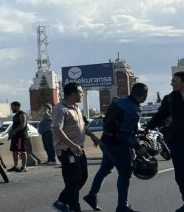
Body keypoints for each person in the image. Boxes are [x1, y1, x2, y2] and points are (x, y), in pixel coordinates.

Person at [83, 83, 149, 212]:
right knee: (125, 173)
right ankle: (122, 206)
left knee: (104, 169)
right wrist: (137, 146)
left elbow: (111, 122)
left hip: (106, 141)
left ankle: (92, 196)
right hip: (117, 144)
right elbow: (123, 133)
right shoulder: (133, 110)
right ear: (144, 95)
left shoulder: (119, 101)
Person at [51, 82, 100, 212]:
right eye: (80, 92)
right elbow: (57, 129)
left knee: (82, 177)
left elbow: (82, 126)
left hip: (79, 148)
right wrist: (72, 145)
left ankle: (61, 201)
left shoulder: (76, 107)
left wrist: (92, 136)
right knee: (72, 180)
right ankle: (74, 208)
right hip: (67, 150)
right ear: (73, 94)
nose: (82, 94)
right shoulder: (60, 108)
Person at [145, 71, 184, 212]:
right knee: (181, 175)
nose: (172, 83)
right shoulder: (170, 99)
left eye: (175, 80)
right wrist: (148, 127)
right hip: (178, 142)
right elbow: (161, 115)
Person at [8, 101, 29, 172]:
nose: (11, 109)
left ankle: (24, 167)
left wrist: (14, 131)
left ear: (16, 106)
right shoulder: (16, 115)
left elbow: (22, 124)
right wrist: (11, 132)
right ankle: (15, 166)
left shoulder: (22, 114)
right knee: (14, 151)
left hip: (21, 136)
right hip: (15, 136)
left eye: (12, 107)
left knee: (22, 151)